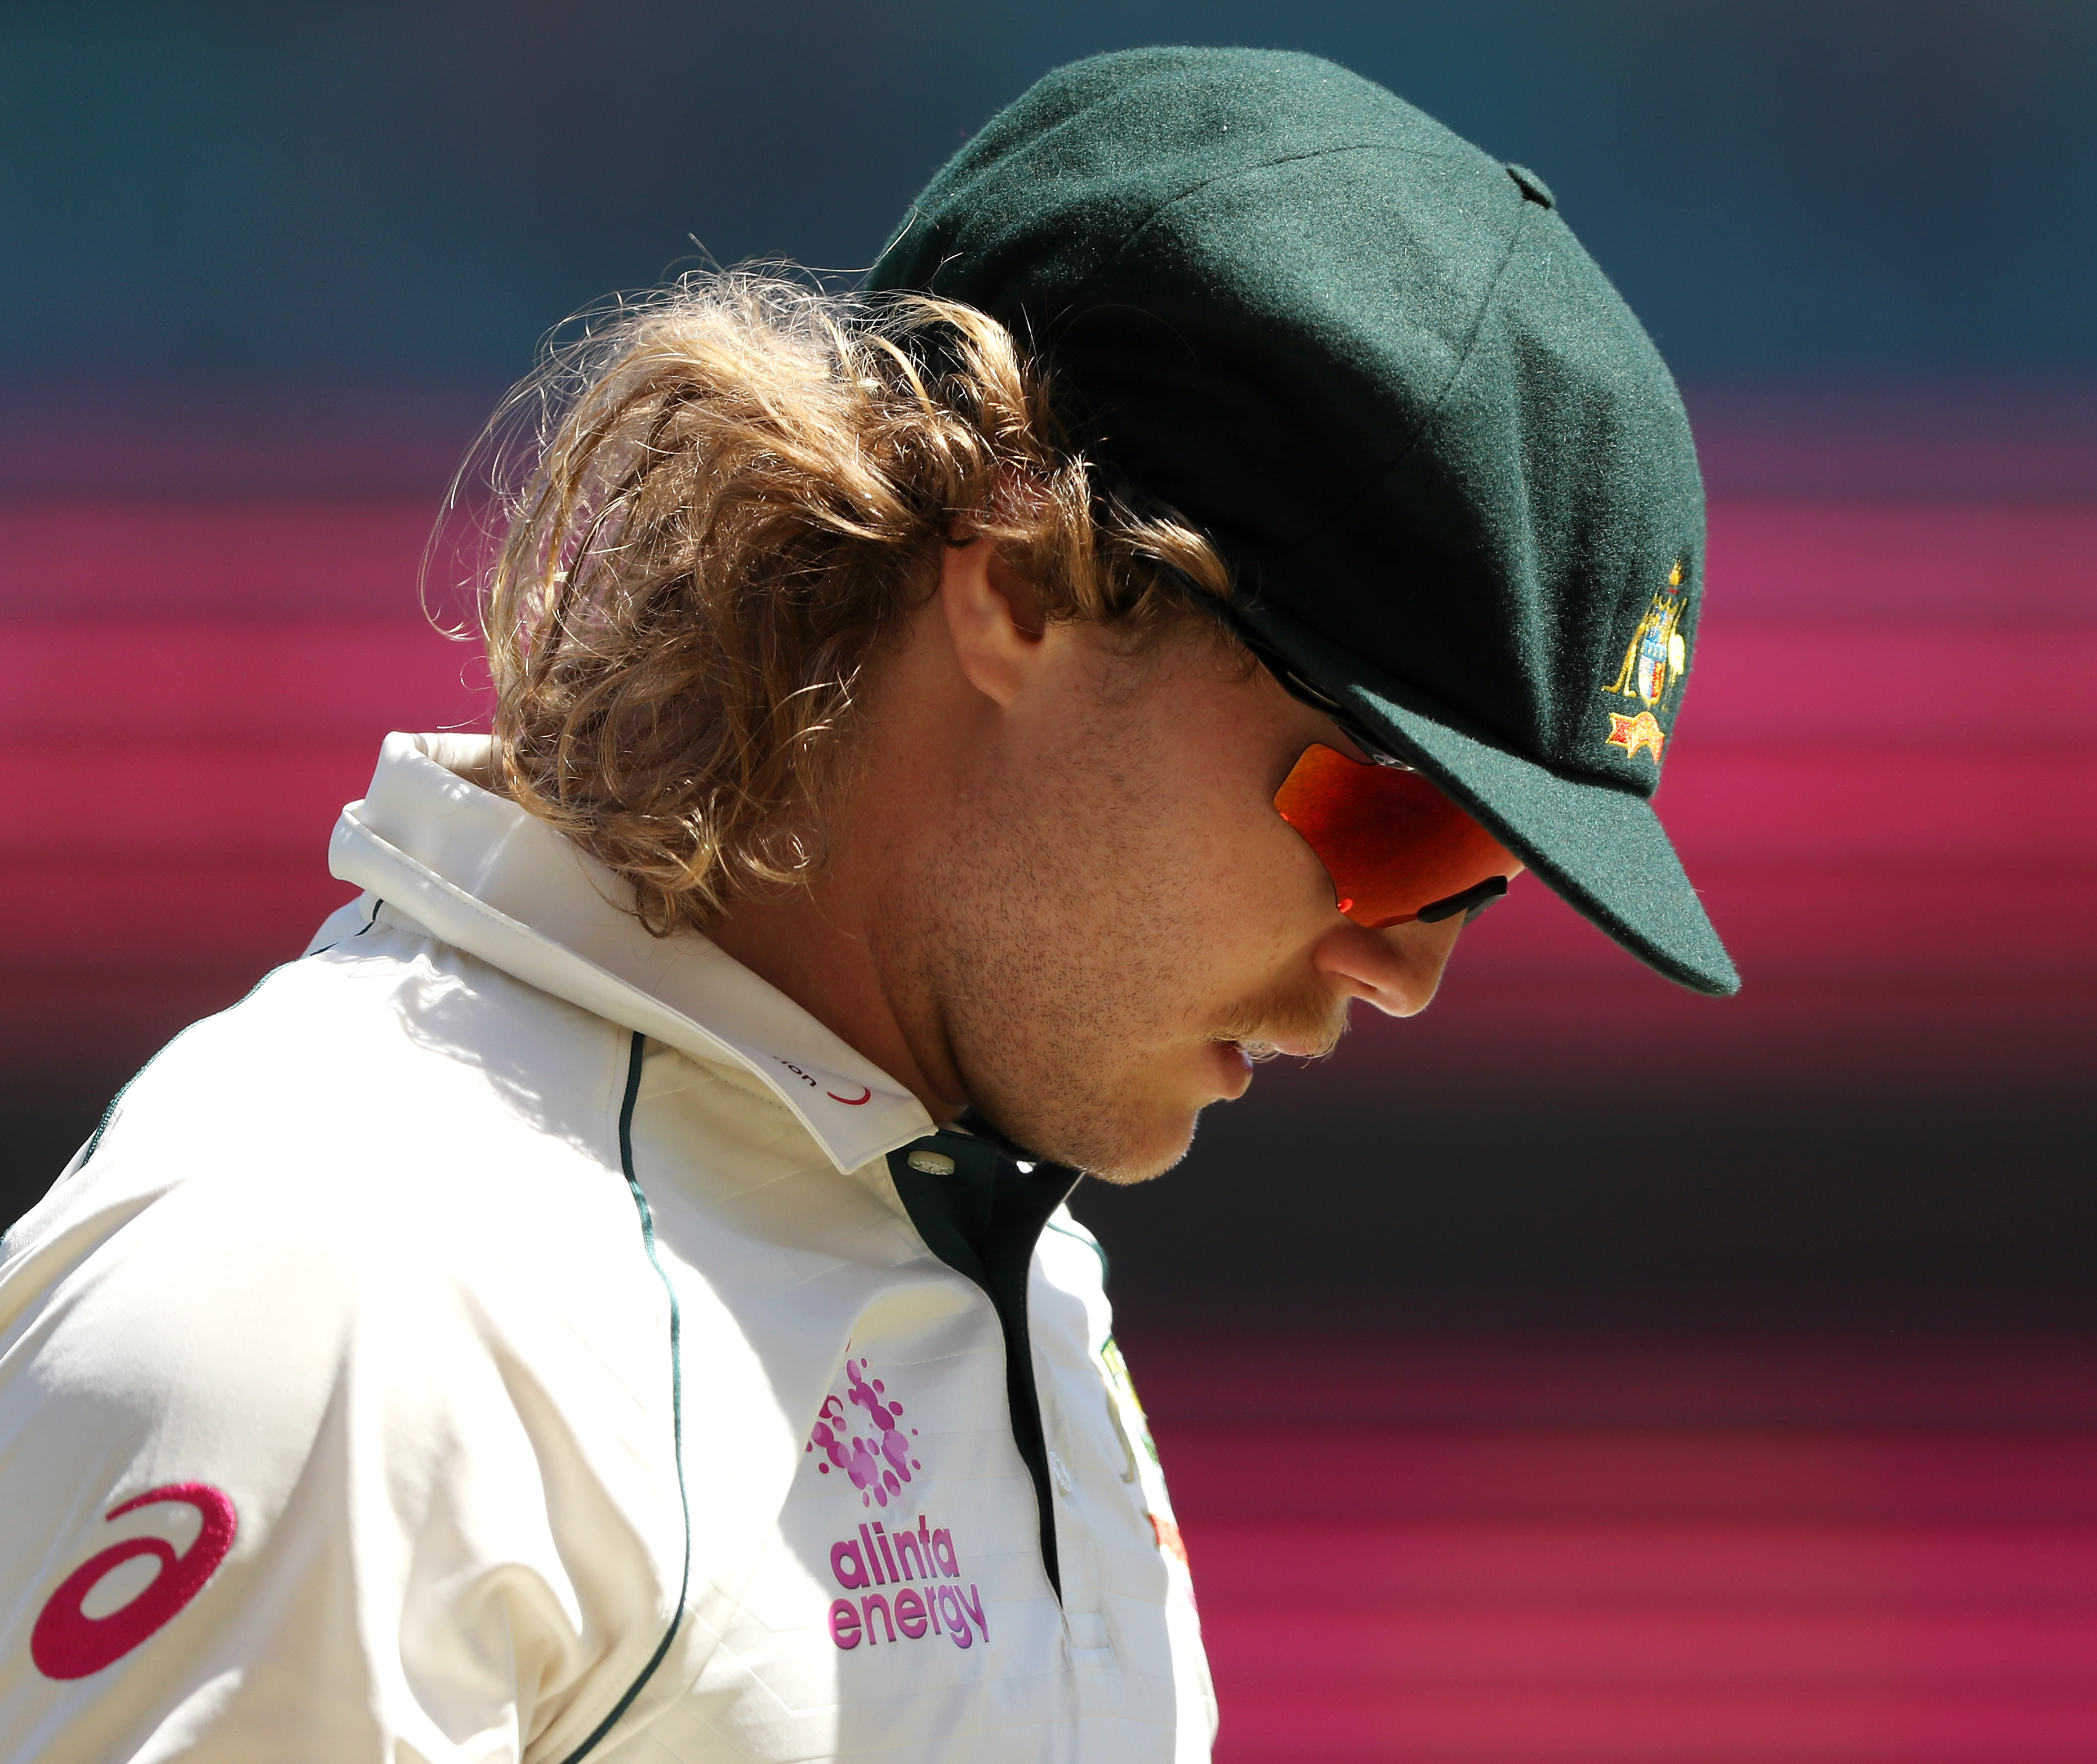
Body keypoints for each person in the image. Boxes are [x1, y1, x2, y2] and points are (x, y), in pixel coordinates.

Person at [0, 46, 1734, 1764]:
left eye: (1476, 883)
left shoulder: (988, 1240)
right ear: (1028, 587)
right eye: (1384, 816)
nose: (1407, 970)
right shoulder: (341, 1296)